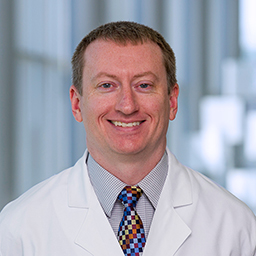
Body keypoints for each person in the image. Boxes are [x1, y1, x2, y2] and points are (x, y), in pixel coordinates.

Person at [0, 21, 255, 256]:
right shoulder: (20, 227)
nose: (127, 106)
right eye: (107, 85)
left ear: (172, 101)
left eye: (143, 85)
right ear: (77, 104)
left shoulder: (234, 224)